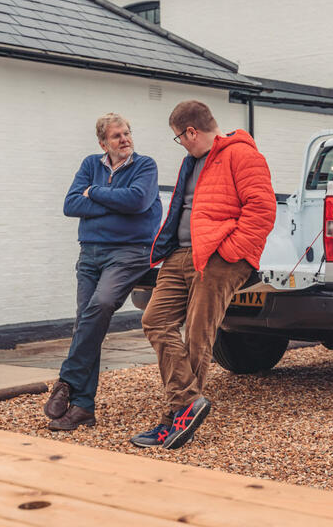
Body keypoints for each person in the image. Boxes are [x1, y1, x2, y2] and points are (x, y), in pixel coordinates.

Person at [131, 100, 275, 450]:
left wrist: (228, 252)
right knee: (155, 320)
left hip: (217, 258)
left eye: (179, 137)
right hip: (180, 255)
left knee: (198, 335)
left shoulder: (242, 155)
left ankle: (173, 420)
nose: (180, 143)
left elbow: (262, 210)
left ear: (191, 131)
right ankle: (188, 403)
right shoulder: (191, 162)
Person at [45, 113, 162, 430]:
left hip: (130, 253)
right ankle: (83, 407)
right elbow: (71, 205)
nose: (125, 139)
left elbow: (137, 202)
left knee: (101, 305)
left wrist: (94, 193)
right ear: (103, 143)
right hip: (90, 253)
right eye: (116, 136)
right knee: (87, 322)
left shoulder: (145, 166)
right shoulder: (90, 165)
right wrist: (115, 203)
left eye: (127, 133)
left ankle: (67, 380)